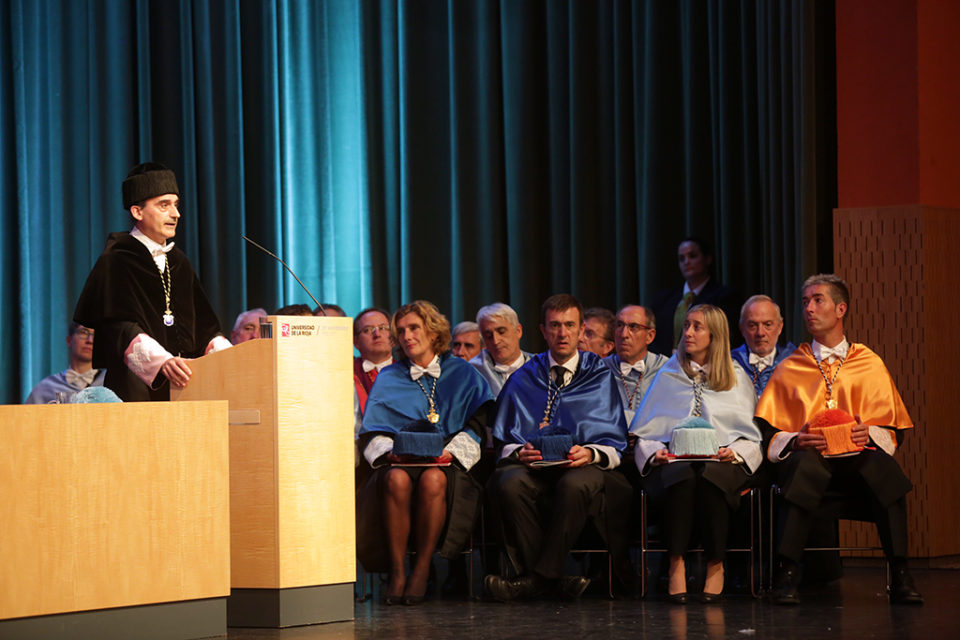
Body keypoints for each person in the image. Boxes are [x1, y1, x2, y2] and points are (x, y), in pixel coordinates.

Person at [758, 274, 922, 605]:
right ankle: (787, 572)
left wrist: (871, 432)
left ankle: (901, 572)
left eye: (818, 300)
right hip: (811, 459)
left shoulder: (868, 362)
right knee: (805, 468)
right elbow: (767, 430)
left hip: (855, 460)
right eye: (805, 302)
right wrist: (795, 439)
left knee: (886, 472)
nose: (809, 308)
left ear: (840, 308)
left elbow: (893, 427)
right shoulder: (791, 365)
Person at [484, 294, 630, 601]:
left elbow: (615, 445)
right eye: (554, 325)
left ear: (580, 330)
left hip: (585, 469)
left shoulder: (599, 374)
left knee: (574, 484)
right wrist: (518, 452)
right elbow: (504, 443)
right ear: (543, 330)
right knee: (509, 483)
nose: (562, 333)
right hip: (535, 468)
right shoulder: (525, 376)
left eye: (569, 325)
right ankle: (554, 580)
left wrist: (591, 452)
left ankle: (538, 579)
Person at [357, 301, 494, 605]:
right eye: (401, 331)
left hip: (448, 466)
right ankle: (397, 571)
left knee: (433, 479)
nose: (406, 336)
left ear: (433, 332)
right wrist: (392, 453)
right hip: (399, 462)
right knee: (396, 480)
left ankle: (421, 570)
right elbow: (371, 432)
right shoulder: (390, 377)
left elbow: (477, 425)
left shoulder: (463, 373)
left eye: (414, 328)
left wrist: (449, 454)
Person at [630, 304, 761, 603]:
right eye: (687, 325)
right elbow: (646, 433)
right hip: (674, 460)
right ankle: (676, 562)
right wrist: (656, 454)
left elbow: (751, 437)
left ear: (715, 336)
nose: (687, 332)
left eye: (697, 327)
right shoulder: (668, 374)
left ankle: (716, 564)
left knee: (711, 478)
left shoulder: (736, 376)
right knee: (683, 477)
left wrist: (734, 452)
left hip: (722, 460)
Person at [73, 162, 230, 401]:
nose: (176, 214)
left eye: (176, 205)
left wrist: (225, 354)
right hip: (135, 386)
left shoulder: (178, 261)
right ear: (137, 212)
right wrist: (162, 361)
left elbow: (205, 327)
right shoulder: (116, 258)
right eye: (164, 205)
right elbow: (118, 326)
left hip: (187, 385)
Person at [650, 237, 740, 355]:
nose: (686, 262)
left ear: (707, 259)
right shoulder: (663, 299)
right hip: (665, 366)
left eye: (692, 256)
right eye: (682, 258)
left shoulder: (724, 297)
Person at [603, 305, 669, 425]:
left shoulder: (666, 369)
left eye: (633, 327)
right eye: (619, 325)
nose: (624, 334)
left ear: (650, 336)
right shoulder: (600, 370)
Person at [24, 323, 107, 404]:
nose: (90, 340)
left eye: (96, 335)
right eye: (83, 332)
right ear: (69, 340)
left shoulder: (108, 383)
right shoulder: (45, 388)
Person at [731, 295, 796, 396]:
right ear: (742, 329)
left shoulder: (795, 362)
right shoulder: (729, 363)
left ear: (780, 327)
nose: (760, 333)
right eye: (752, 326)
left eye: (768, 325)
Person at [469, 302, 531, 397]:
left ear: (518, 331)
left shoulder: (540, 367)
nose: (495, 341)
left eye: (501, 332)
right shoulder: (474, 371)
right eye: (488, 336)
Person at [353, 307, 394, 415]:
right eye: (368, 330)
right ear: (355, 342)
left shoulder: (407, 372)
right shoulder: (347, 372)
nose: (377, 334)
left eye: (383, 328)